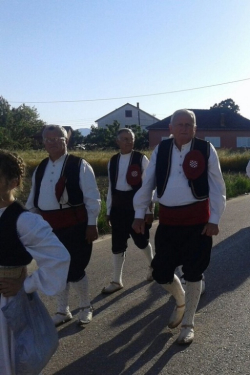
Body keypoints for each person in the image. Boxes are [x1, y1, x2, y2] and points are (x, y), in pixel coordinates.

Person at [132, 109, 226, 345]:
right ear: (170, 128)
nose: (184, 128)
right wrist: (139, 212)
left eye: (189, 124)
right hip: (169, 222)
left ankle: (188, 324)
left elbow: (217, 186)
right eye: (180, 124)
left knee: (194, 272)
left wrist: (214, 219)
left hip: (198, 222)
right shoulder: (161, 150)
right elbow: (147, 184)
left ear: (195, 128)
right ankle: (181, 299)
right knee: (160, 272)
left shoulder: (206, 149)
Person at [0, 150, 70, 375]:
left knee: (9, 360)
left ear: (14, 182)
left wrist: (26, 284)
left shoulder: (24, 220)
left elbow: (59, 258)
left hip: (5, 303)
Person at [26, 125, 100, 326]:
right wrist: (32, 226)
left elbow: (92, 198)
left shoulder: (80, 165)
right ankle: (62, 310)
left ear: (65, 139)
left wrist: (92, 224)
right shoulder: (41, 167)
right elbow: (33, 201)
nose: (52, 142)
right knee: (56, 269)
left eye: (56, 138)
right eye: (47, 139)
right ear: (43, 142)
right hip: (49, 228)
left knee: (76, 269)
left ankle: (86, 306)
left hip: (75, 225)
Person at [102, 128, 154, 294]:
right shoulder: (113, 161)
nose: (128, 142)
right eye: (124, 139)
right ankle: (117, 280)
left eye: (130, 139)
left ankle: (153, 267)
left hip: (136, 208)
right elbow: (111, 187)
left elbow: (148, 186)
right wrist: (109, 210)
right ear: (117, 141)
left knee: (141, 241)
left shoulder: (141, 159)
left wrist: (148, 210)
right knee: (117, 244)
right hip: (118, 208)